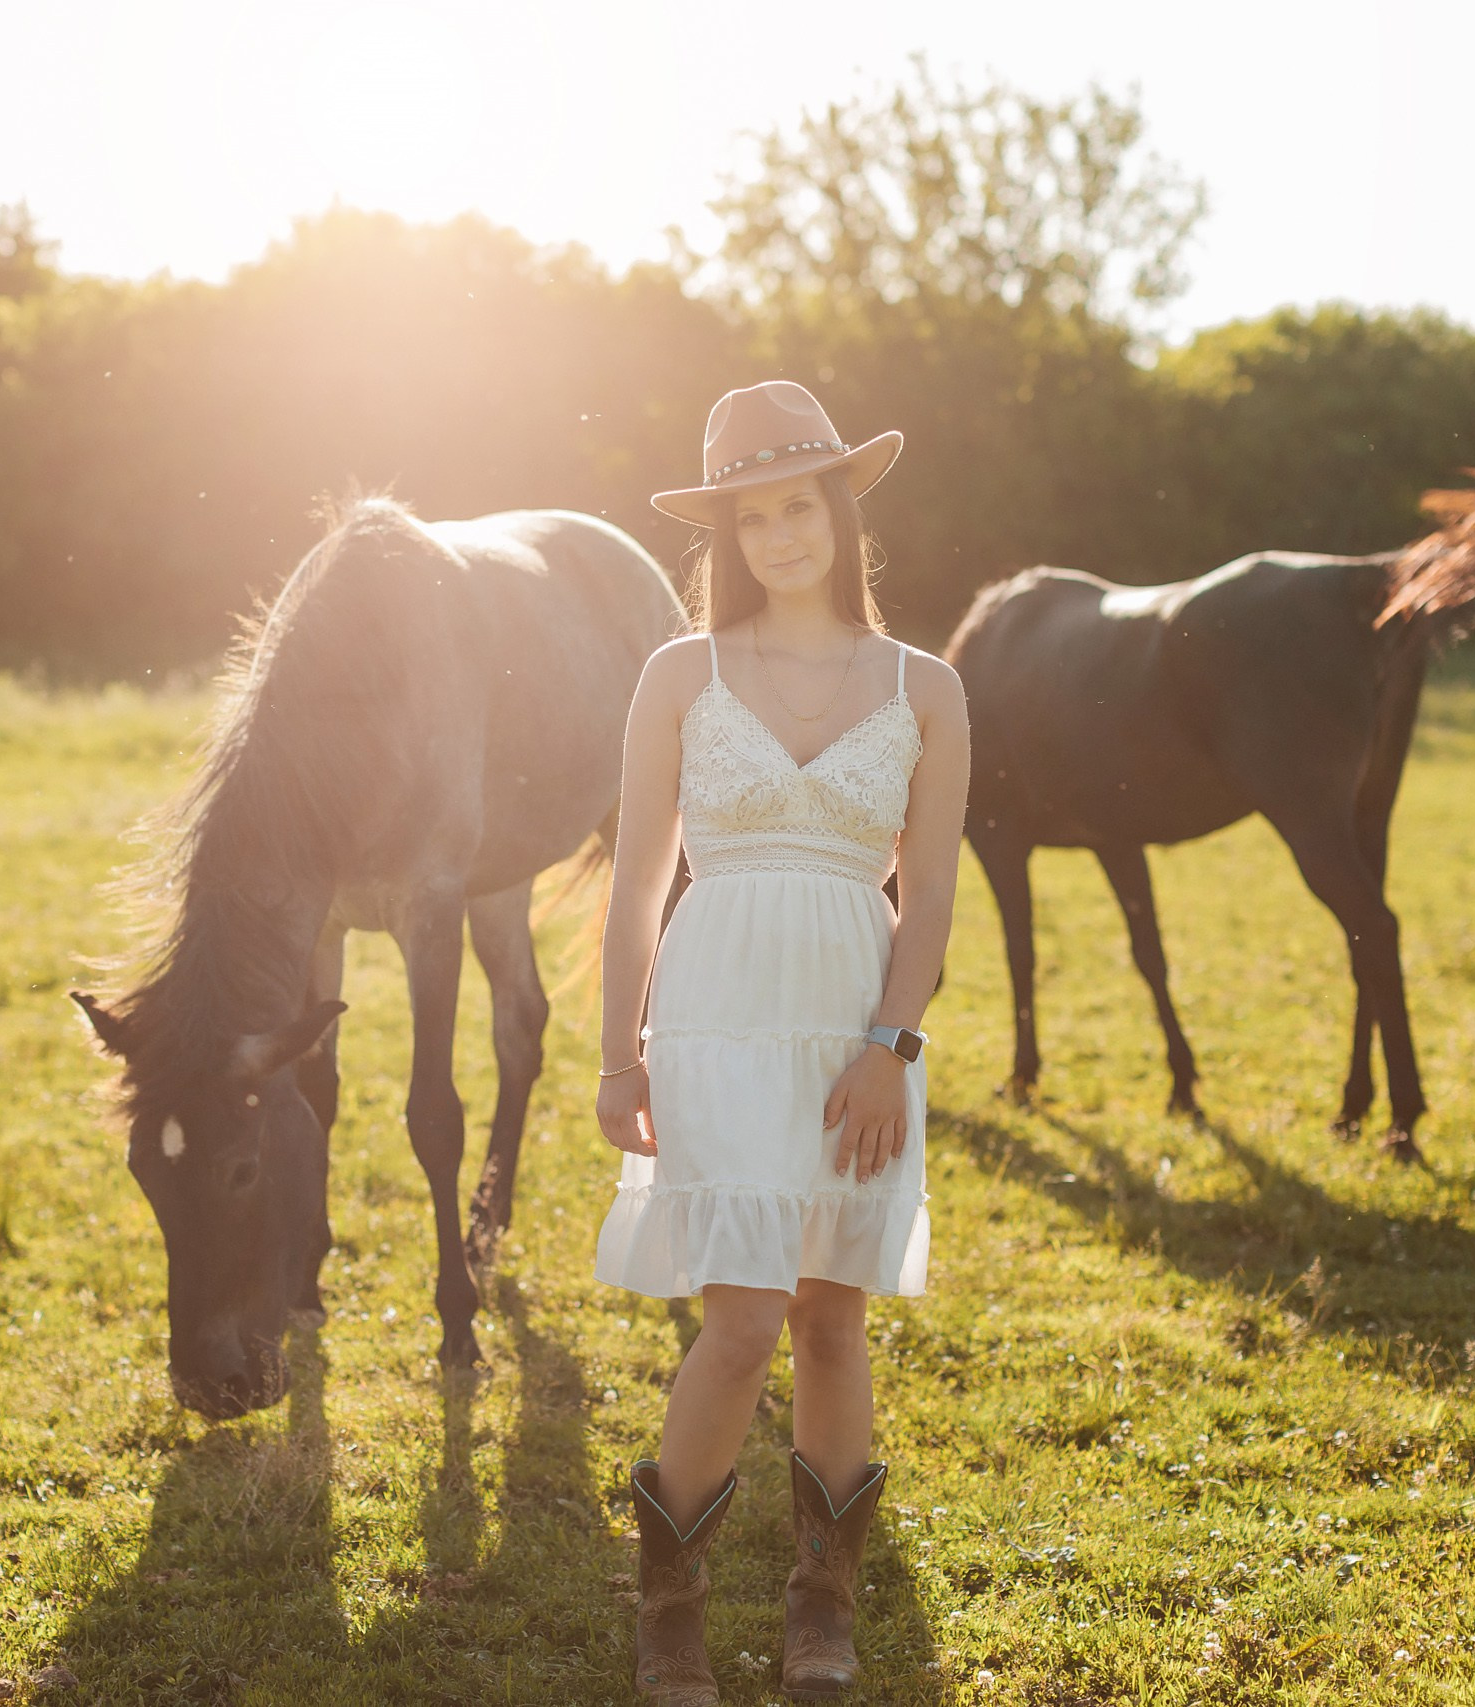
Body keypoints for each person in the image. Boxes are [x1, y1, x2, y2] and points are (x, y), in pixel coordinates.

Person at [593, 380, 970, 1702]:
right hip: (714, 1011)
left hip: (854, 1020)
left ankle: (822, 1606)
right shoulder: (677, 675)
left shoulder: (926, 688)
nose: (780, 537)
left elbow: (929, 898)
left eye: (797, 507)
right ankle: (671, 1611)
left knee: (830, 1319)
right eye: (751, 519)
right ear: (729, 538)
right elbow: (639, 879)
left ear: (838, 511)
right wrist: (614, 1050)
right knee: (745, 1317)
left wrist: (892, 1044)